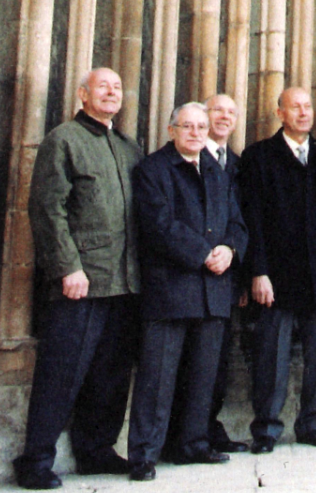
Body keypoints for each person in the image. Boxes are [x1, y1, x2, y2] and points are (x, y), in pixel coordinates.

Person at [13, 68, 142, 490]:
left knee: (111, 374)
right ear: (83, 94)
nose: (111, 92)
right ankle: (35, 461)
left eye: (117, 87)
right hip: (81, 282)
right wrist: (67, 267)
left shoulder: (128, 148)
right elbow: (47, 209)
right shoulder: (63, 140)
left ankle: (96, 450)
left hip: (125, 282)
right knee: (60, 374)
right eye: (102, 86)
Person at [127, 102, 248, 482]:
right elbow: (159, 224)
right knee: (157, 378)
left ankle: (192, 445)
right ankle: (145, 454)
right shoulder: (152, 169)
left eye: (201, 127)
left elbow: (237, 221)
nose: (196, 133)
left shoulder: (217, 171)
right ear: (171, 130)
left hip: (214, 289)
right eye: (188, 126)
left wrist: (230, 249)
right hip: (171, 289)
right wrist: (204, 253)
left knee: (203, 377)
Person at [237, 87, 316, 453]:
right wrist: (257, 272)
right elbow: (252, 220)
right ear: (280, 113)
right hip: (276, 277)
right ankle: (266, 428)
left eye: (308, 106)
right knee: (270, 357)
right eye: (295, 107)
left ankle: (312, 423)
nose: (304, 113)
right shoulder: (258, 156)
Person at [164, 94, 248, 456]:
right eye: (217, 111)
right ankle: (180, 438)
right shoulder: (180, 162)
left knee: (215, 363)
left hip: (225, 279)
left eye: (231, 112)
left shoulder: (238, 164)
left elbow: (242, 221)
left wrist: (238, 267)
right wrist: (203, 254)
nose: (224, 117)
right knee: (183, 364)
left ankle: (205, 428)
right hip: (184, 278)